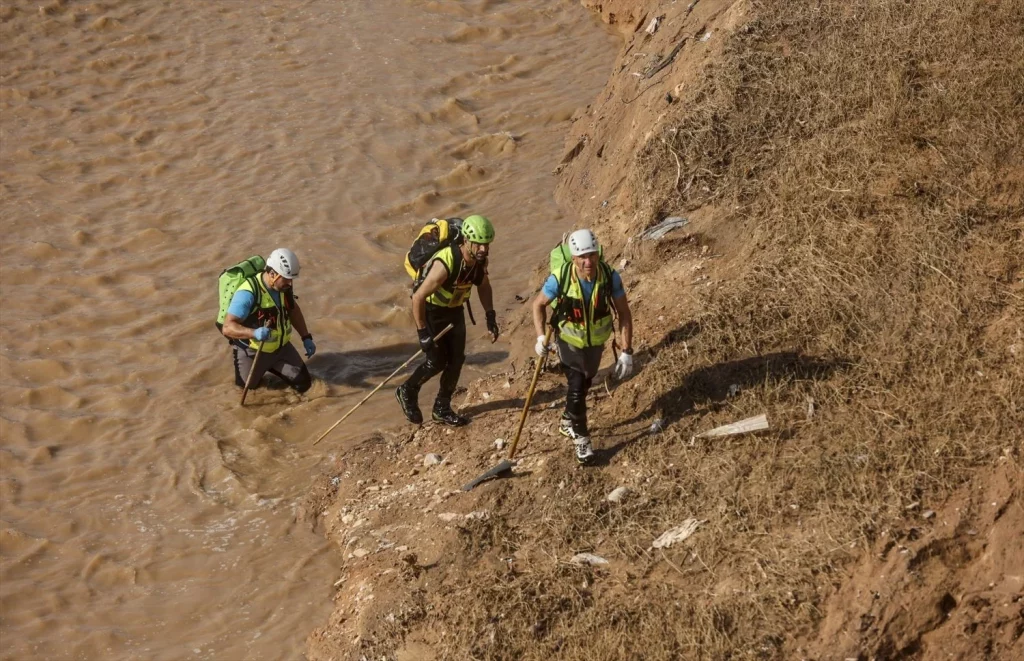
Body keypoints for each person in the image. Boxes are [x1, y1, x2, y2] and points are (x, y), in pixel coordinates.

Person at [531, 229, 633, 464]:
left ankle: (567, 420)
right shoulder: (560, 278)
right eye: (582, 257)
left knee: (585, 383)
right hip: (568, 342)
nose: (588, 262)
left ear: (598, 253)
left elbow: (624, 313)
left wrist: (627, 351)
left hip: (595, 343)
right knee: (576, 388)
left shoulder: (610, 277)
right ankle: (582, 441)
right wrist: (540, 337)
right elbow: (538, 305)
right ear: (573, 258)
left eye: (592, 255)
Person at [395, 214, 500, 426]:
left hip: (455, 311)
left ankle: (441, 408)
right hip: (432, 312)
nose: (484, 249)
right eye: (479, 244)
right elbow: (418, 297)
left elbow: (484, 285)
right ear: (466, 241)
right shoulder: (447, 262)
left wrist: (490, 315)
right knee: (435, 362)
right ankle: (407, 390)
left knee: (456, 360)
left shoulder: (479, 262)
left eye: (487, 244)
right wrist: (422, 333)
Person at [221, 248, 316, 394]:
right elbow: (227, 327)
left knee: (304, 384)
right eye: (286, 279)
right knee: (249, 391)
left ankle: (275, 369)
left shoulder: (284, 288)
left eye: (291, 279)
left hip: (281, 349)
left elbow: (293, 311)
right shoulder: (247, 294)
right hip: (253, 352)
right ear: (272, 274)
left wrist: (306, 337)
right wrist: (254, 333)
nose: (290, 283)